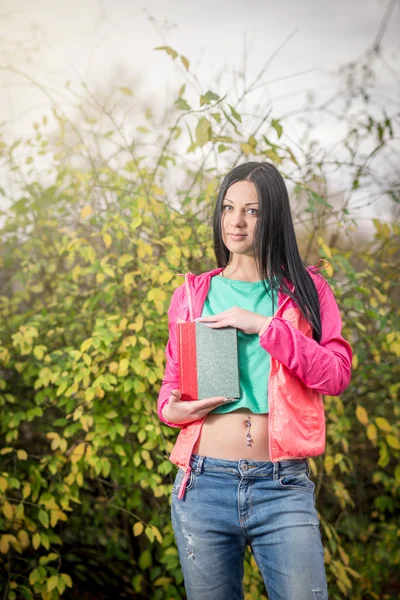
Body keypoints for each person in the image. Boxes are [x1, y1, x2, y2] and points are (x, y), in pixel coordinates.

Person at [157, 161, 352, 600]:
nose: (237, 221)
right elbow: (171, 386)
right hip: (203, 485)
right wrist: (171, 409)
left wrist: (265, 326)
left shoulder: (308, 290)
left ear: (274, 217)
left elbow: (337, 374)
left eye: (252, 210)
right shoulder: (192, 294)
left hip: (281, 486)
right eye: (228, 208)